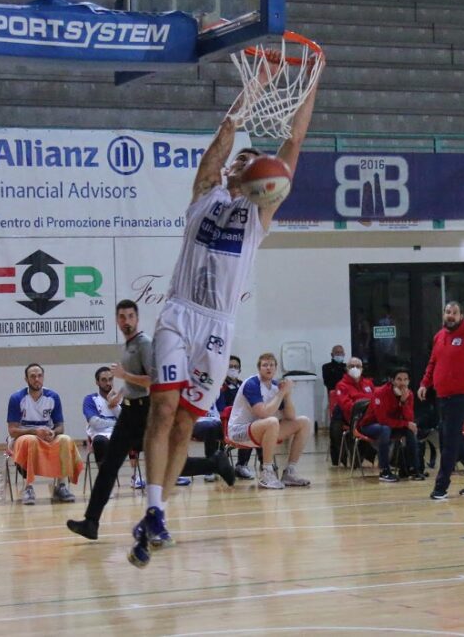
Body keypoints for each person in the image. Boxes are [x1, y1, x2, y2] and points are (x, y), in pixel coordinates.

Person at [129, 62, 321, 568]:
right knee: (163, 410)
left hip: (217, 327)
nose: (249, 163)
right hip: (178, 313)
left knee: (186, 422)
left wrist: (314, 77)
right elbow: (223, 138)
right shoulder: (204, 196)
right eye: (244, 160)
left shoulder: (258, 217)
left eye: (256, 162)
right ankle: (151, 506)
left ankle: (159, 512)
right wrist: (253, 89)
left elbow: (294, 145)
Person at [67, 300, 233, 541]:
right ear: (117, 320)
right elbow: (135, 381)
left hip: (146, 413)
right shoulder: (128, 346)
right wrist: (124, 388)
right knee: (110, 466)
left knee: (168, 466)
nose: (126, 321)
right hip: (128, 413)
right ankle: (91, 522)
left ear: (137, 319)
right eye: (121, 317)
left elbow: (155, 380)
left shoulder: (144, 344)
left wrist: (125, 376)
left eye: (130, 316)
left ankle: (215, 464)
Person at [417, 301, 464, 500]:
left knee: (449, 442)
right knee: (452, 439)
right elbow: (433, 362)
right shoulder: (439, 336)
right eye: (447, 312)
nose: (450, 315)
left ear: (461, 315)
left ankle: (441, 487)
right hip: (442, 396)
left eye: (454, 313)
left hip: (461, 397)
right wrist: (425, 383)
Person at [227, 353, 312, 489]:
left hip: (262, 430)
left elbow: (290, 416)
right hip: (239, 431)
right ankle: (266, 473)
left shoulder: (275, 386)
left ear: (276, 368)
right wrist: (280, 393)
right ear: (259, 368)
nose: (268, 368)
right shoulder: (252, 383)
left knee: (304, 422)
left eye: (271, 365)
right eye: (265, 365)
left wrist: (287, 394)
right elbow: (263, 412)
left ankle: (289, 472)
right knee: (272, 421)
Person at [8, 363, 81, 505]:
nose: (37, 379)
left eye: (39, 376)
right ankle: (27, 487)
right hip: (22, 437)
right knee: (30, 440)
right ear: (26, 379)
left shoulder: (53, 396)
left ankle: (61, 485)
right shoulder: (17, 398)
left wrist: (53, 432)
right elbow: (12, 430)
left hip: (46, 436)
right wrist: (35, 432)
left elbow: (60, 426)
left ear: (43, 377)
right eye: (33, 376)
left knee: (65, 439)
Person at [359, 368, 425, 482]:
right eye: (399, 379)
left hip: (392, 426)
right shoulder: (380, 393)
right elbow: (382, 420)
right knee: (385, 429)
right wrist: (406, 423)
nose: (402, 383)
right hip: (369, 426)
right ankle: (384, 471)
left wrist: (403, 402)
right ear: (393, 381)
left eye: (405, 380)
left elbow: (409, 419)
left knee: (410, 431)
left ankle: (414, 468)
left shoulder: (409, 394)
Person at [330, 356, 375, 466]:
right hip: (351, 418)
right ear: (347, 369)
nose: (355, 368)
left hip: (369, 417)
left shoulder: (368, 384)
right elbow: (347, 405)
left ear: (362, 369)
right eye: (352, 366)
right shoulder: (341, 385)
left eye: (358, 366)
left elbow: (375, 400)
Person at [218, 355, 255, 479]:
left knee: (255, 429)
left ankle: (242, 465)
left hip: (243, 421)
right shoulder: (220, 386)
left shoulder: (244, 385)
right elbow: (221, 409)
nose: (233, 369)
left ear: (239, 369)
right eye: (230, 366)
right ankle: (219, 466)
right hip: (226, 422)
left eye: (236, 367)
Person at [83, 367, 123, 465]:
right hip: (100, 435)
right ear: (97, 382)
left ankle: (135, 475)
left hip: (119, 434)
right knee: (100, 442)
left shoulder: (120, 399)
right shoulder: (90, 399)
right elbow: (95, 423)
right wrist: (118, 423)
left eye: (110, 379)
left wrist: (113, 405)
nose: (108, 383)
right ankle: (105, 476)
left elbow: (127, 421)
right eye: (104, 380)